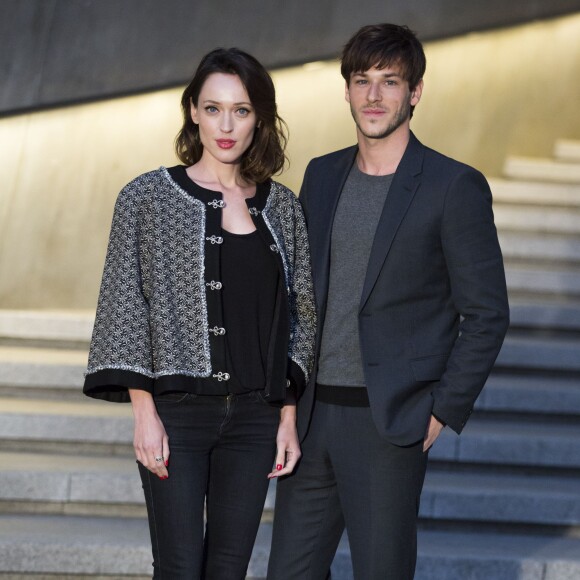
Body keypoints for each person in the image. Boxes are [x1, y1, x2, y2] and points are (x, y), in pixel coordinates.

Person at [267, 23, 510, 580]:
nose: (374, 95)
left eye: (390, 81)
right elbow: (300, 296)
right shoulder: (322, 174)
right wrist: (284, 400)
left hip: (388, 423)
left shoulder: (453, 186)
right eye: (362, 80)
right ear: (347, 90)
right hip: (310, 418)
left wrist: (442, 411)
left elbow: (487, 313)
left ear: (415, 92)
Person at [83, 47, 316, 579]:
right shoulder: (146, 198)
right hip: (177, 415)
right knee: (180, 567)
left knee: (229, 569)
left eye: (241, 110)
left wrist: (286, 413)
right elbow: (124, 306)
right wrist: (144, 413)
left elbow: (302, 313)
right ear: (192, 111)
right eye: (213, 109)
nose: (226, 125)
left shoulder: (283, 207)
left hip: (257, 418)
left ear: (261, 116)